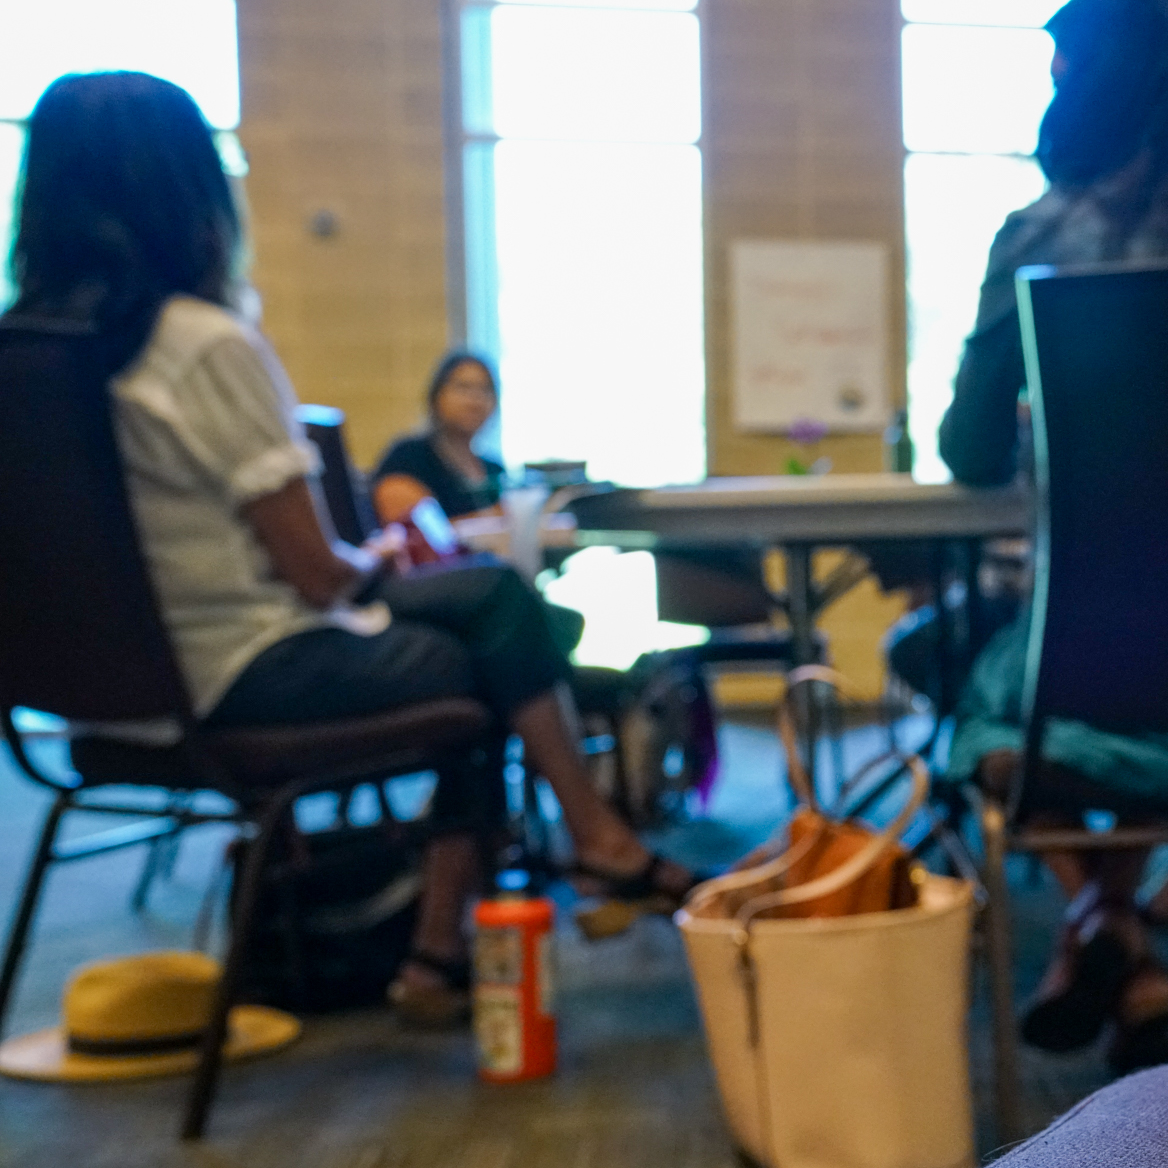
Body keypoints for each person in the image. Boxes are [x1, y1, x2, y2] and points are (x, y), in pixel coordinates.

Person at [4, 70, 693, 1024]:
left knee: (483, 611)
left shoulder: (25, 355)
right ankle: (540, 880)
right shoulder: (199, 342)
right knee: (483, 628)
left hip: (92, 705)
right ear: (188, 190)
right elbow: (318, 576)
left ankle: (480, 928)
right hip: (242, 676)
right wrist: (385, 555)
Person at [935, 0, 1168, 1075]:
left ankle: (1097, 925)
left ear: (1081, 79)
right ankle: (1133, 938)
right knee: (1149, 695)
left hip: (1076, 675)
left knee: (983, 707)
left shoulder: (1033, 240)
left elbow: (966, 458)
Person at [372, 352, 506, 523]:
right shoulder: (409, 456)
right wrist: (496, 519)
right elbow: (412, 531)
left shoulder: (495, 470)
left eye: (485, 390)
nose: (475, 401)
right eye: (463, 388)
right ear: (437, 396)